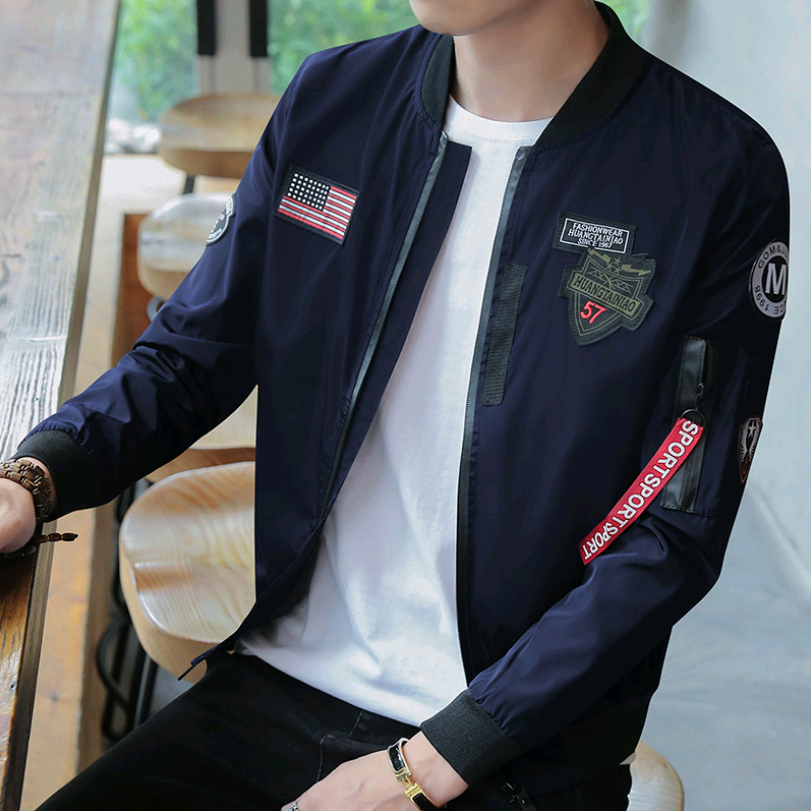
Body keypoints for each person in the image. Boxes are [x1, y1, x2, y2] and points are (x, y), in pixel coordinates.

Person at [0, 1, 789, 809]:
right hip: (276, 687)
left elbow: (668, 534)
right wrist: (36, 477)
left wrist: (436, 758)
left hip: (512, 744)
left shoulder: (713, 169)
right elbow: (191, 355)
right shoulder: (335, 99)